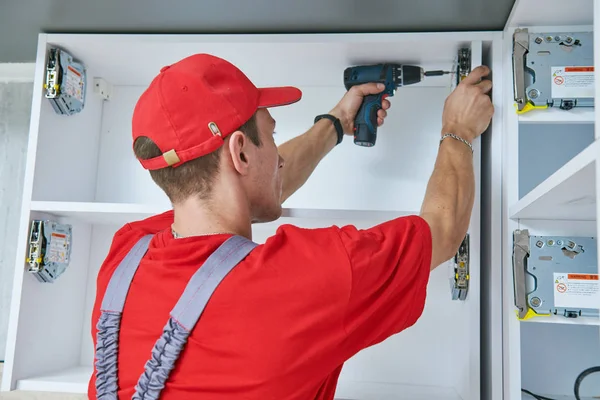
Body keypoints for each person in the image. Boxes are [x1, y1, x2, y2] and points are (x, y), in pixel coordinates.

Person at [88, 53, 493, 400]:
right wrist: (458, 130)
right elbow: (442, 228)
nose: (278, 157)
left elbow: (248, 188)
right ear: (241, 153)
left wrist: (335, 123)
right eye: (270, 134)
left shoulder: (125, 254)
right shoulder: (308, 278)